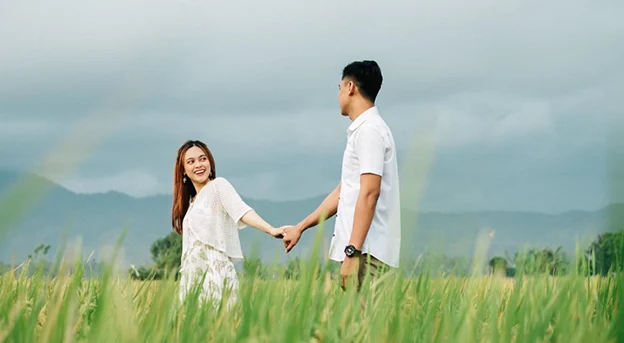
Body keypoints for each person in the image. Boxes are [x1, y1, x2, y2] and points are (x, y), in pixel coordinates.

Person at [281, 60, 401, 291]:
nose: (337, 94)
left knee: (367, 324)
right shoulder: (363, 130)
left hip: (366, 253)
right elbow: (344, 192)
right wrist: (301, 227)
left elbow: (369, 193)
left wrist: (352, 251)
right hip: (360, 252)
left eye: (339, 87)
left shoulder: (369, 131)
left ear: (350, 88)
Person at [172, 139, 283, 308]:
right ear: (184, 171)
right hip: (192, 279)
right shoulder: (192, 203)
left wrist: (271, 229)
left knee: (219, 325)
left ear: (210, 162)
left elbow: (242, 211)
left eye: (203, 159)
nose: (198, 165)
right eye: (191, 162)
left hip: (215, 274)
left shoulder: (218, 186)